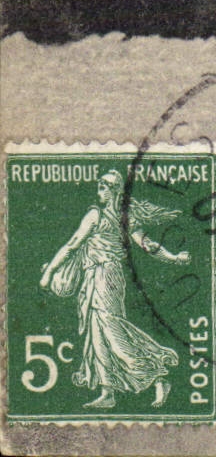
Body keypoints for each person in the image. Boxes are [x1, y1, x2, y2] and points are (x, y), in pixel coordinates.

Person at [40, 171, 189, 409]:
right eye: (99, 187)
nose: (99, 192)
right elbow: (147, 245)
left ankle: (157, 375)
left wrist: (48, 273)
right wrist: (174, 258)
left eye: (102, 188)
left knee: (111, 330)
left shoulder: (95, 215)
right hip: (97, 277)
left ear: (113, 190)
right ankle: (107, 392)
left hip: (105, 277)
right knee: (97, 334)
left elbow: (72, 244)